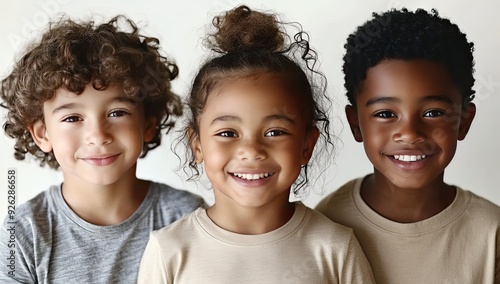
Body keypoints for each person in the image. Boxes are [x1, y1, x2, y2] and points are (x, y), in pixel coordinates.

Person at [137, 5, 374, 284]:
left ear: (307, 146)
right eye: (227, 133)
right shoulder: (170, 250)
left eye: (274, 132)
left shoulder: (334, 247)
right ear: (197, 144)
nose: (251, 150)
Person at [0, 15, 204, 283]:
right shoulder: (23, 233)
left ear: (148, 124)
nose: (98, 136)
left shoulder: (186, 217)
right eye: (73, 118)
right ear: (42, 133)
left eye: (117, 112)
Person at [315, 7, 500, 283]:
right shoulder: (326, 226)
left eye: (433, 113)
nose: (410, 133)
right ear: (356, 124)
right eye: (386, 114)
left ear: (463, 121)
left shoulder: (492, 234)